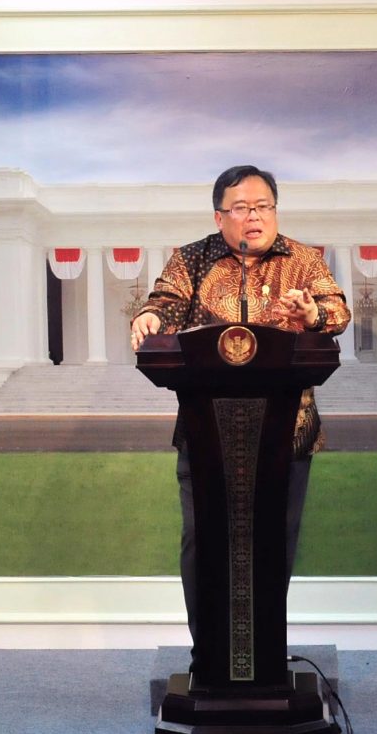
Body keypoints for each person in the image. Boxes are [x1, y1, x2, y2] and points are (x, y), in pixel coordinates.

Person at [128, 164, 352, 630]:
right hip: (207, 429)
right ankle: (207, 651)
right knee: (203, 538)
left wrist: (313, 314)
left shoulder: (303, 259)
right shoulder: (191, 260)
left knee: (275, 539)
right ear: (219, 217)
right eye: (243, 208)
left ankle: (264, 652)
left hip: (286, 431)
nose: (256, 217)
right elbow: (164, 303)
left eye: (264, 206)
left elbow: (337, 310)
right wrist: (149, 317)